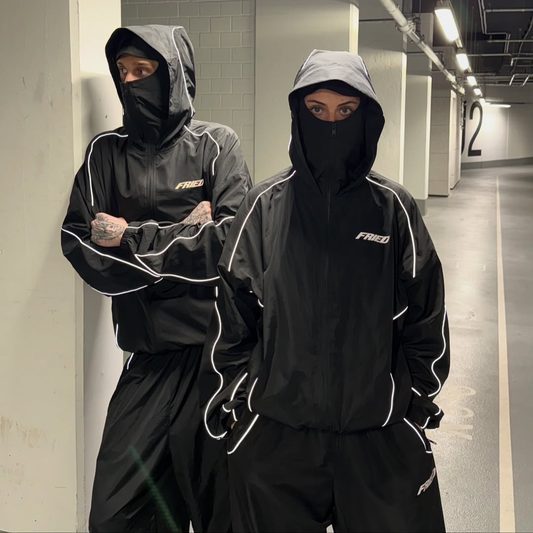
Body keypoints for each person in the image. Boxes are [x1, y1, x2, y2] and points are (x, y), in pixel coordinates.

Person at [200, 49, 450, 533]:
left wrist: (412, 409)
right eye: (317, 110)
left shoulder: (394, 209)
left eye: (345, 110)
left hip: (378, 439)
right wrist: (240, 411)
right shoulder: (263, 208)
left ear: (366, 117)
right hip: (279, 443)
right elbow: (231, 324)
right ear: (298, 114)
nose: (331, 123)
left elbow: (428, 319)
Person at [62, 25, 251, 532]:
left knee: (218, 512)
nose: (129, 81)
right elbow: (79, 243)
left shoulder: (216, 146)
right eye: (122, 71)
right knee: (115, 515)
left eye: (142, 71)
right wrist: (187, 234)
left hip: (211, 363)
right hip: (144, 363)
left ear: (172, 77)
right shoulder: (106, 154)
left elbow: (230, 242)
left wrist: (128, 236)